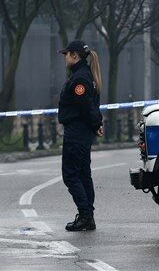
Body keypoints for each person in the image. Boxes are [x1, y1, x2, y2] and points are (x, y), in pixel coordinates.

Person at [57, 39, 103, 231]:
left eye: (66, 54)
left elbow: (86, 107)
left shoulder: (80, 79)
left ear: (75, 56)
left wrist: (96, 123)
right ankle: (87, 216)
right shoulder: (85, 75)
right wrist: (96, 123)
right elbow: (91, 107)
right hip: (83, 131)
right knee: (84, 174)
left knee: (71, 175)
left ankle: (85, 215)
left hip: (77, 132)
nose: (65, 57)